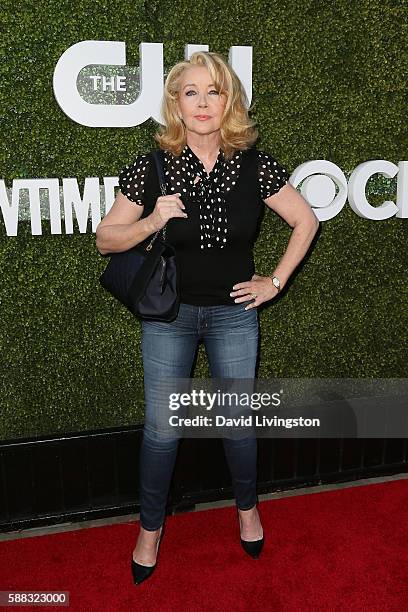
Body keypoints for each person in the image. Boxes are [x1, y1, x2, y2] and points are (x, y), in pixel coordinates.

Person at [96, 50, 319, 585]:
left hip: (233, 315)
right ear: (176, 102)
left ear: (229, 101)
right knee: (162, 432)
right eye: (190, 91)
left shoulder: (255, 164)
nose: (202, 102)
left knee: (237, 424)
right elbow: (106, 240)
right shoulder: (151, 165)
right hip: (168, 314)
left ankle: (247, 510)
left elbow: (305, 220)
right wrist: (152, 219)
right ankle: (150, 529)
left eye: (213, 91)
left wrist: (275, 281)